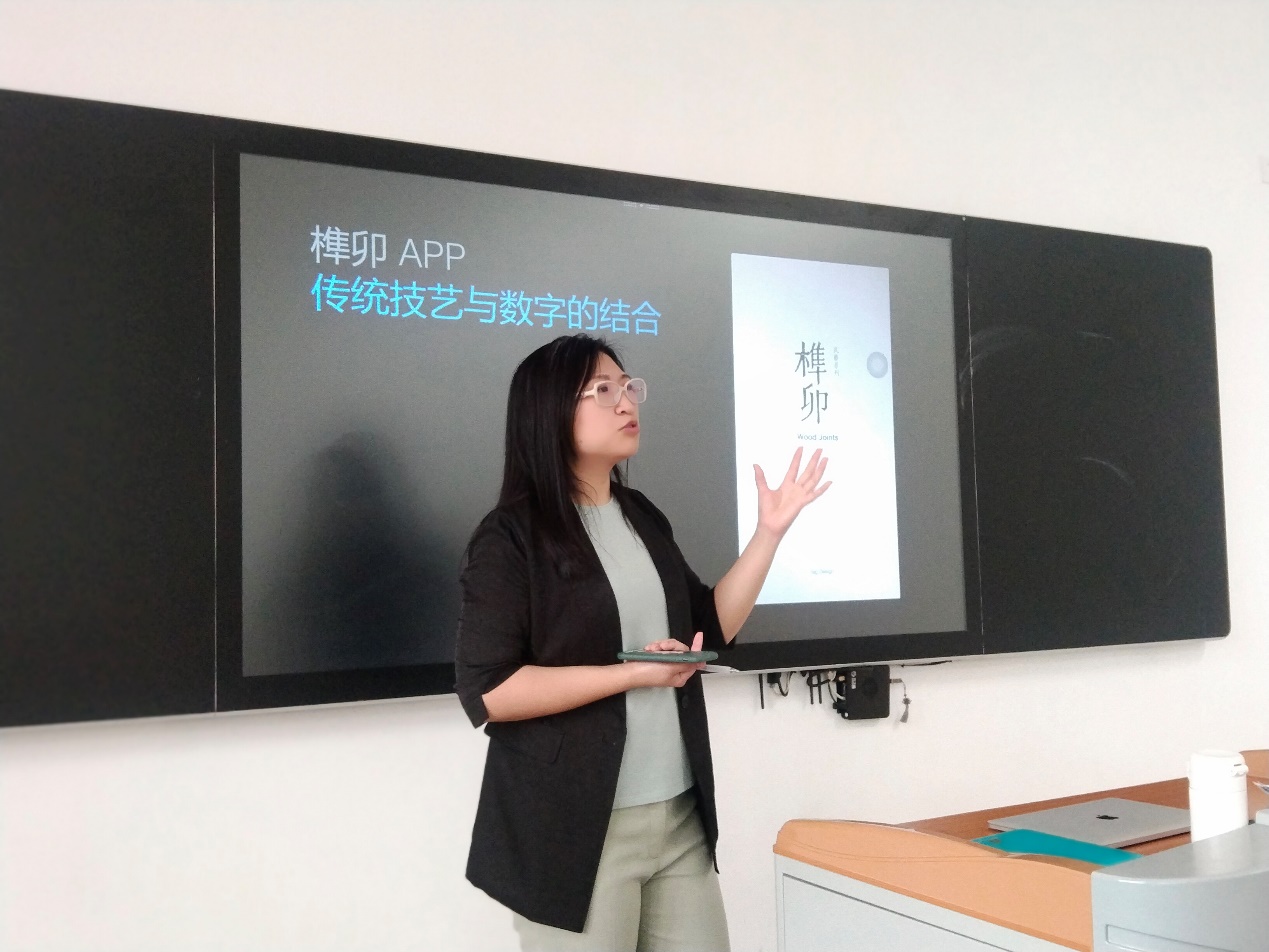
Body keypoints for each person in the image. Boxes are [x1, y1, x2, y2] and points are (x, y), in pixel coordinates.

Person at [454, 334, 829, 951]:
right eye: (603, 390)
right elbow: (490, 690)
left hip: (679, 818)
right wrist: (630, 675)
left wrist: (769, 534)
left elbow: (709, 627)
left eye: (628, 387)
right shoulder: (510, 538)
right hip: (575, 832)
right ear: (550, 410)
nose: (627, 401)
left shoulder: (641, 516)